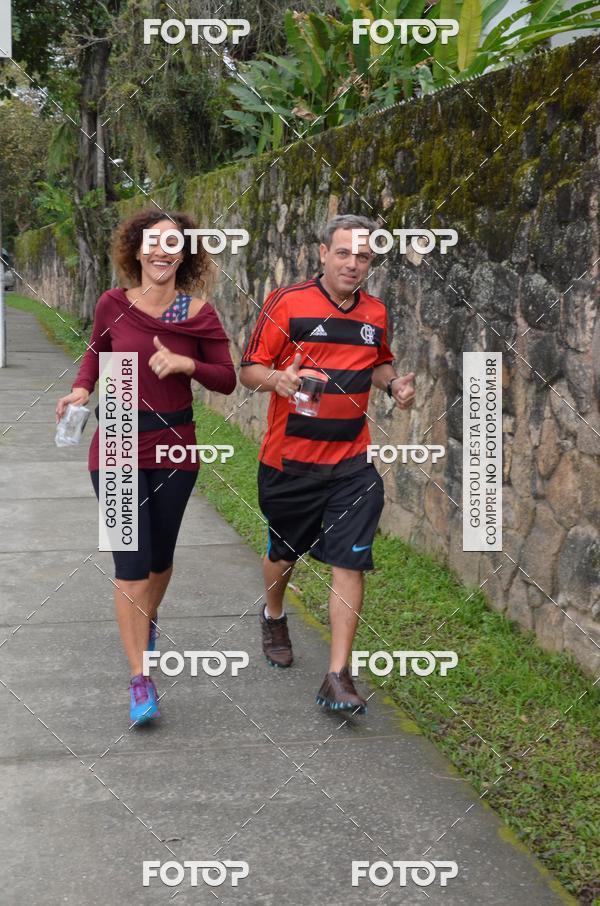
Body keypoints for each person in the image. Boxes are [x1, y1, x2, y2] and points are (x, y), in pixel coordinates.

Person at [56, 210, 236, 724]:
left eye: (172, 243)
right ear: (136, 251)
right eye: (152, 243)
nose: (161, 252)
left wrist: (188, 365)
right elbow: (96, 353)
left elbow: (226, 378)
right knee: (130, 565)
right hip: (114, 442)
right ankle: (140, 679)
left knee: (159, 560)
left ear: (184, 254)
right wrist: (81, 389)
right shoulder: (113, 304)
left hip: (175, 447)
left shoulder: (197, 313)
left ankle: (147, 618)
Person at [239, 214, 415, 714]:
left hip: (352, 465)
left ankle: (338, 675)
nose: (353, 264)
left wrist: (394, 385)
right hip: (289, 462)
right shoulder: (288, 303)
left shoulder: (376, 312)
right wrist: (278, 381)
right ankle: (274, 613)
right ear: (323, 253)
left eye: (363, 257)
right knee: (283, 553)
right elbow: (248, 370)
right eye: (343, 253)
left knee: (350, 561)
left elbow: (378, 361)